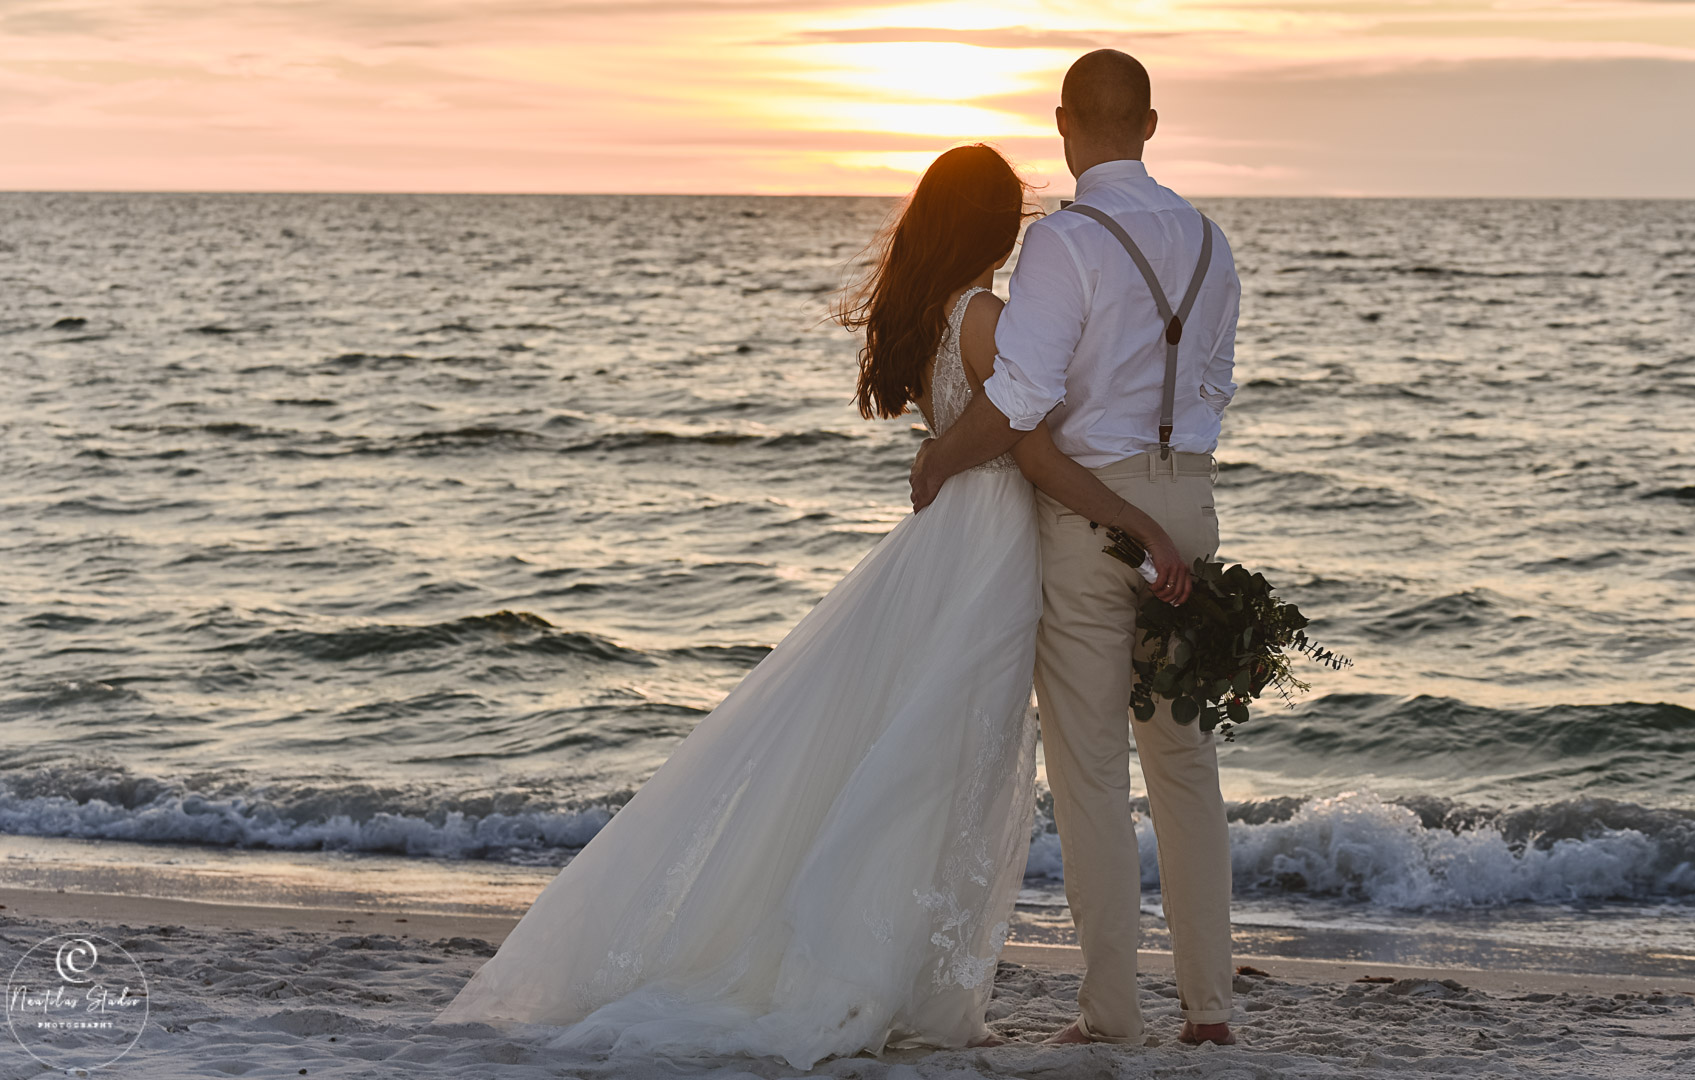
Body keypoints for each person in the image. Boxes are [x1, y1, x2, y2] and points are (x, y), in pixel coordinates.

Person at [432, 141, 1194, 1069]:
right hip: (989, 545)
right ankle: (881, 976)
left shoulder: (934, 313)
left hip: (956, 537)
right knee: (944, 763)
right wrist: (1141, 526)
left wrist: (943, 460)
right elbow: (1027, 449)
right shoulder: (986, 315)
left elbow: (981, 436)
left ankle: (903, 974)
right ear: (998, 224)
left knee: (928, 755)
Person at [911, 48, 1243, 1047]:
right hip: (1191, 502)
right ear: (1149, 124)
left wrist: (938, 460)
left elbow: (1018, 401)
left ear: (1064, 123)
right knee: (1185, 766)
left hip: (1092, 514)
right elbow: (1215, 386)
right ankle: (1211, 1010)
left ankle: (1110, 1015)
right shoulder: (1210, 239)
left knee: (1092, 769)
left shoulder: (1062, 243)